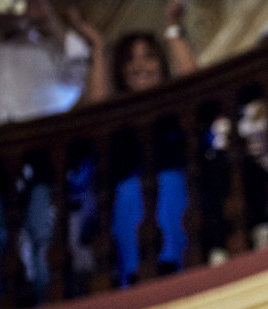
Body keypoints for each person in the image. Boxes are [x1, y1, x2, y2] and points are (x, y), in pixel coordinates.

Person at [0, 0, 90, 309]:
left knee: (46, 239)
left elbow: (79, 70)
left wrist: (51, 21)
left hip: (40, 157)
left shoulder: (44, 48)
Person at [70, 0, 197, 286]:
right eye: (130, 59)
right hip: (126, 198)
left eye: (148, 57)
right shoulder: (116, 117)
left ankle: (176, 272)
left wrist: (173, 27)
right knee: (128, 192)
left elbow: (196, 85)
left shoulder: (175, 106)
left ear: (161, 65)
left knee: (168, 183)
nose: (140, 65)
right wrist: (98, 47)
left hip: (174, 190)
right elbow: (97, 109)